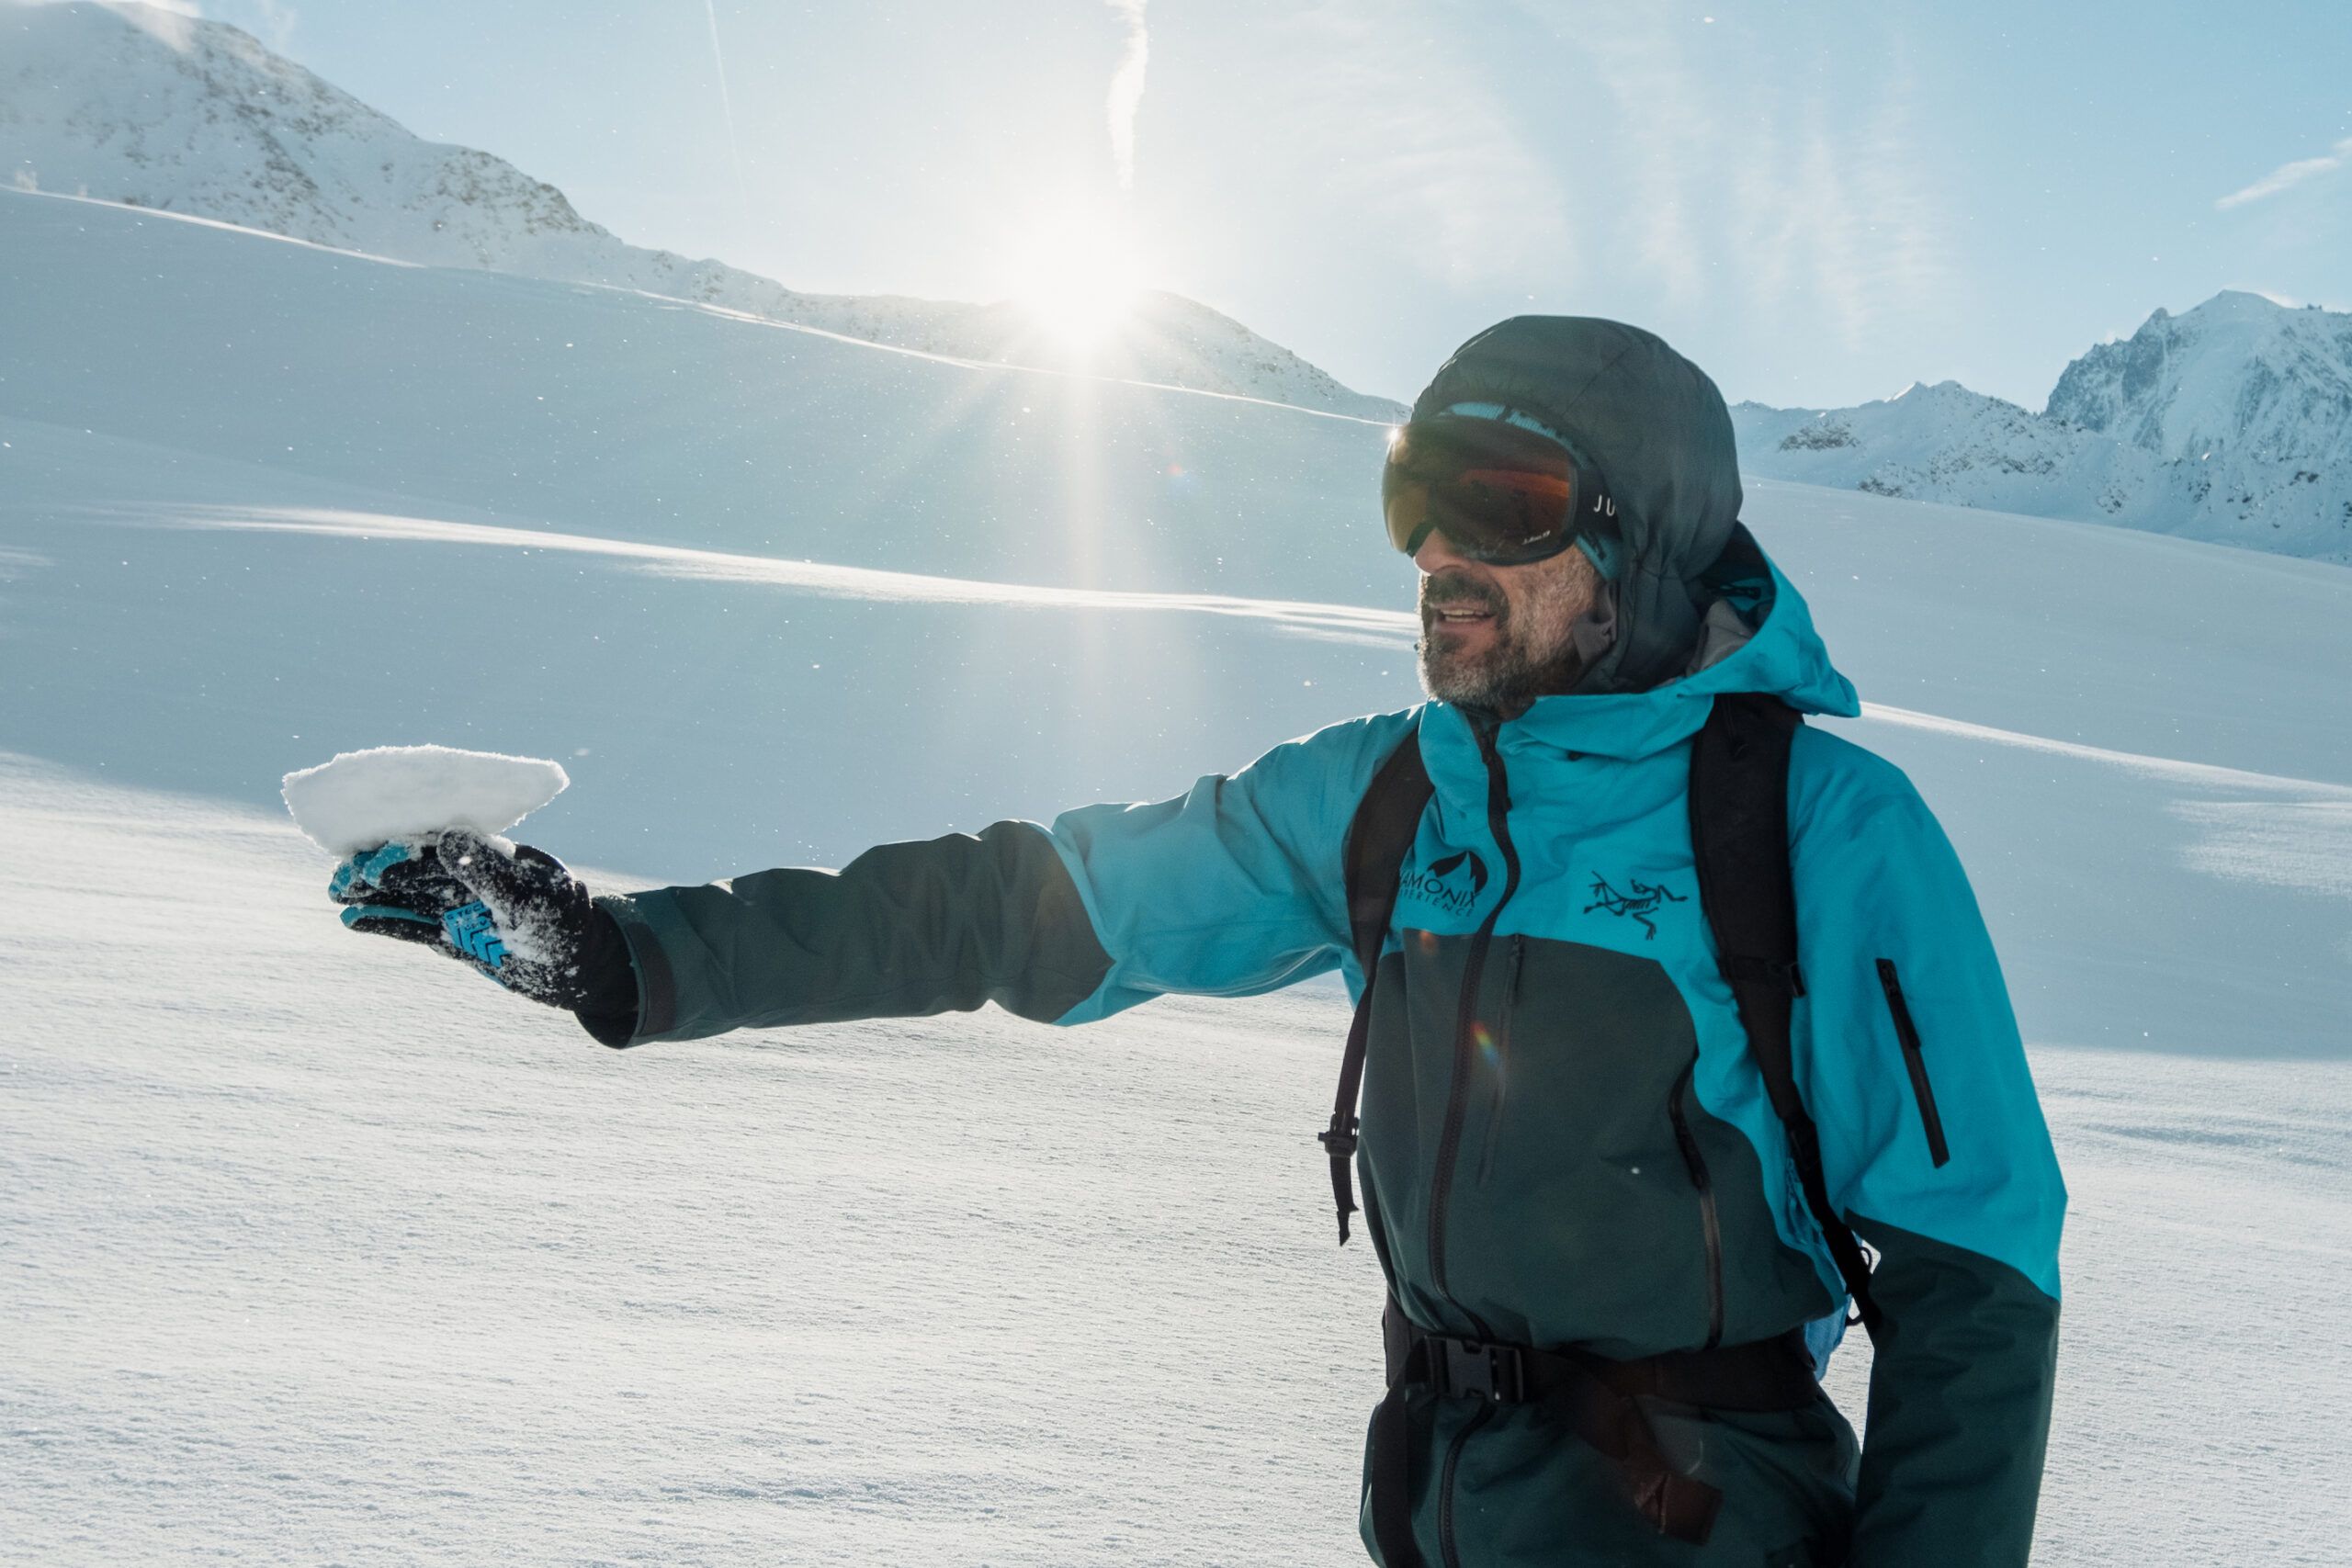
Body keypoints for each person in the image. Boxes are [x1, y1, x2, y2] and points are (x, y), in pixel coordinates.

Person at [334, 317, 2065, 1567]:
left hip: (1708, 1526)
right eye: (1415, 498)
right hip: (1440, 1500)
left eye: (1510, 499)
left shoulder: (1816, 828)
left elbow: (1975, 1274)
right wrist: (637, 959)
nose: (1444, 553)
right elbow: (1030, 904)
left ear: (1645, 535)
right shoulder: (1384, 797)